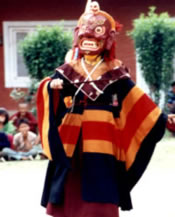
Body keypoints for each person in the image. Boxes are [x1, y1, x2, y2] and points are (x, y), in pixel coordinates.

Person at [37, 1, 175, 217]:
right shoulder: (68, 69)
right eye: (85, 35)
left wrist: (162, 118)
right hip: (71, 134)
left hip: (103, 134)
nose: (89, 40)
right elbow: (51, 88)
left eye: (96, 35)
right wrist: (52, 87)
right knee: (70, 175)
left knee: (101, 175)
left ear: (108, 39)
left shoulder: (115, 71)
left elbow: (135, 98)